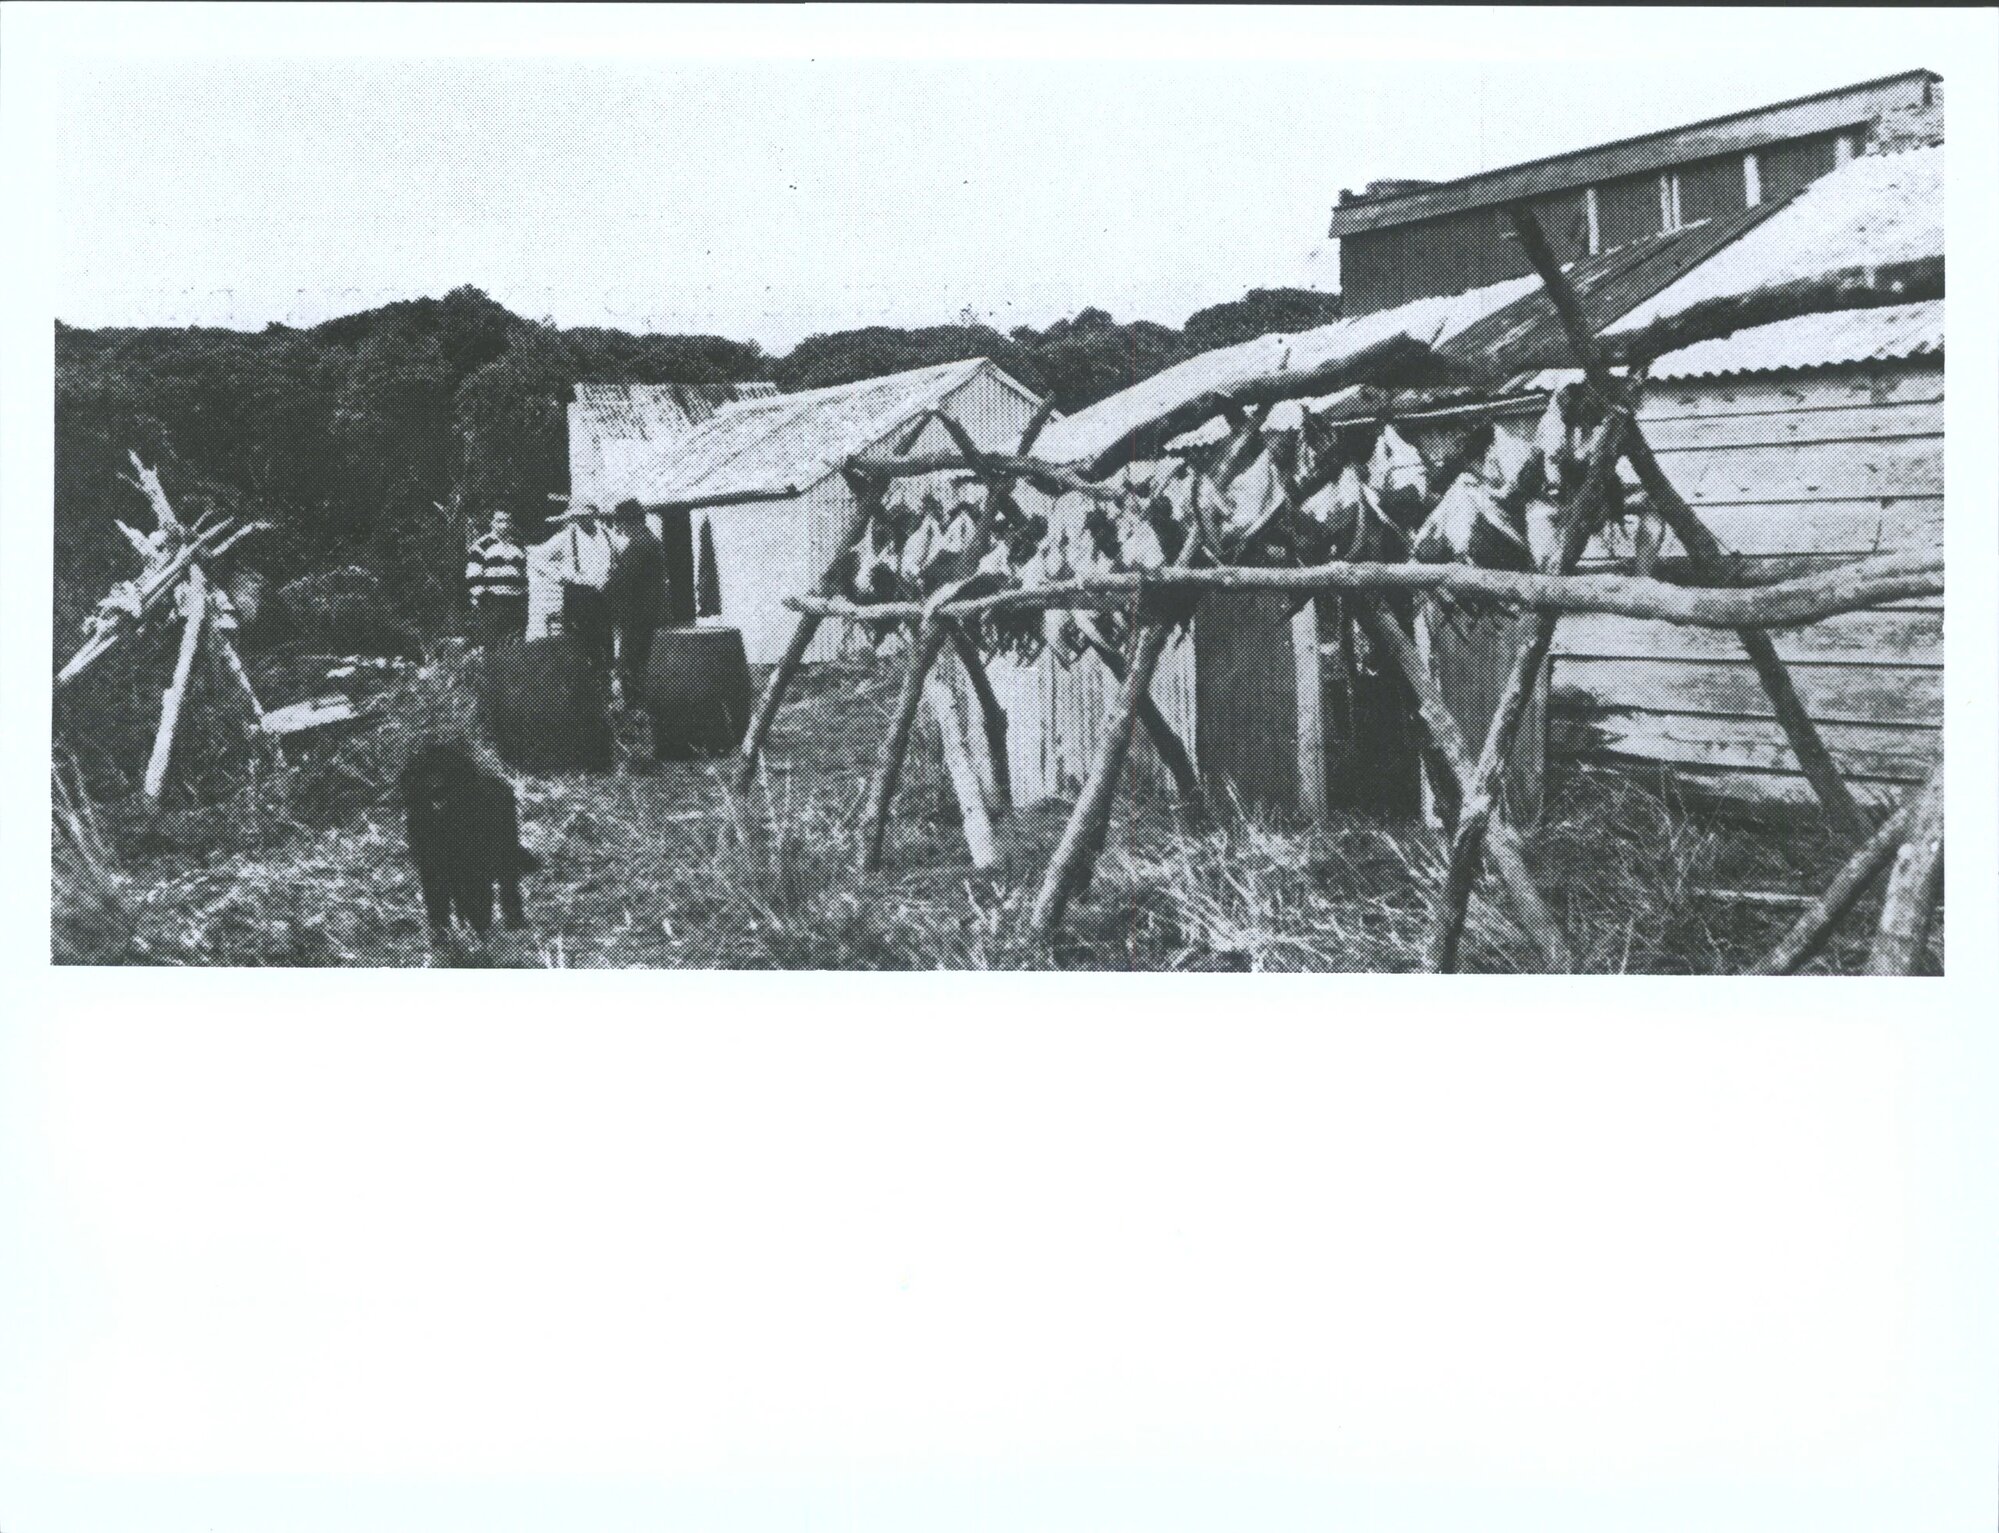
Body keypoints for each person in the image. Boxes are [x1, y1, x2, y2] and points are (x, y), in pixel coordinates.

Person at [604, 499, 666, 705]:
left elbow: (623, 583)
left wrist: (605, 588)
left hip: (638, 618)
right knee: (643, 665)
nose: (619, 529)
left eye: (620, 523)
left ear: (630, 522)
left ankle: (636, 711)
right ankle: (643, 708)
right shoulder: (650, 541)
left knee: (631, 666)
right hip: (649, 616)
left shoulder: (639, 546)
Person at [465, 509, 528, 648]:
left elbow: (525, 574)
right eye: (500, 521)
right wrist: (484, 598)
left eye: (507, 521)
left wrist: (523, 596)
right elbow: (473, 575)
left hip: (515, 603)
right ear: (492, 523)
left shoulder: (518, 545)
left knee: (513, 645)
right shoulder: (482, 545)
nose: (504, 525)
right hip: (493, 602)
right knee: (492, 645)